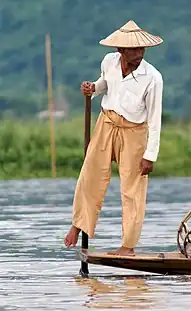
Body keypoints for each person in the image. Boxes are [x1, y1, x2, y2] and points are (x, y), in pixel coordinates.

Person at [63, 20, 164, 256]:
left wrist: (150, 155)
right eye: (134, 50)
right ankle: (79, 224)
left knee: (132, 190)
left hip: (134, 132)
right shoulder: (109, 62)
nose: (139, 54)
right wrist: (93, 89)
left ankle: (127, 246)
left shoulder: (153, 77)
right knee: (90, 175)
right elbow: (105, 85)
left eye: (142, 50)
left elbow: (154, 119)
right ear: (121, 50)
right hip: (106, 123)